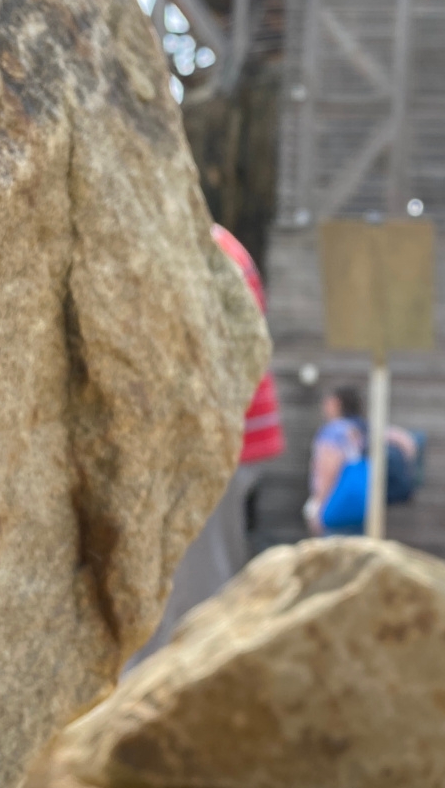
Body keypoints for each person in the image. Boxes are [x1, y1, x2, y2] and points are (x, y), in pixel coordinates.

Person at [128, 225, 283, 667]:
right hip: (221, 447)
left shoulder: (200, 247)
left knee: (194, 590)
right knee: (197, 580)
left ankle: (179, 698)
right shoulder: (213, 242)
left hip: (204, 452)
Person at [306, 384, 421, 534]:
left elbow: (327, 471)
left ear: (336, 403)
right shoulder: (365, 428)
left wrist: (318, 507)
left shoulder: (333, 431)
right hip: (365, 507)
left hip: (337, 505)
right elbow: (408, 443)